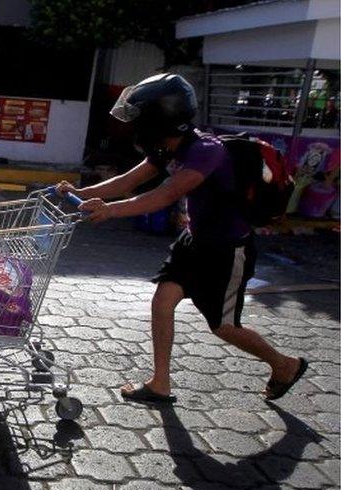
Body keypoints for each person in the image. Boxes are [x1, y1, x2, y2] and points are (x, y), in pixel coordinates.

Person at [57, 73, 308, 403]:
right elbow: (126, 182)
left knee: (223, 327)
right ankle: (160, 382)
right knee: (162, 302)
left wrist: (110, 211)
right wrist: (78, 192)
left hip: (227, 251)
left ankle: (285, 364)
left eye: (140, 120)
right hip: (193, 242)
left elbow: (165, 194)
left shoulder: (206, 151)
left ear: (160, 120)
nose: (135, 128)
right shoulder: (166, 148)